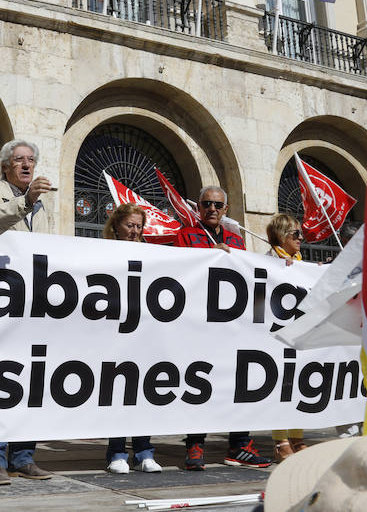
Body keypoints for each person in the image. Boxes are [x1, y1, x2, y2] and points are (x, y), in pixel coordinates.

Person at [174, 185, 273, 470]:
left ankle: (240, 445)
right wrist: (209, 255)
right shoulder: (185, 235)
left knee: (240, 382)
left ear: (226, 209)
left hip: (232, 324)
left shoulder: (236, 240)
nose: (212, 209)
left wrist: (283, 264)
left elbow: (252, 273)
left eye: (218, 205)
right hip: (199, 324)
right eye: (206, 204)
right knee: (199, 383)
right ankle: (195, 444)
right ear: (199, 207)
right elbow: (178, 271)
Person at [0, 139, 53, 485]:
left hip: (34, 304)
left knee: (31, 382)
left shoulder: (43, 207)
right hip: (0, 303)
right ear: (6, 166)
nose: (26, 165)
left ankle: (23, 457)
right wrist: (25, 202)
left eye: (31, 160)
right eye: (19, 160)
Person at [100, 204, 163, 474]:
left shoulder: (151, 254)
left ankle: (144, 451)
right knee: (118, 393)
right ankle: (117, 452)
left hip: (144, 333)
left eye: (139, 226)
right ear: (116, 226)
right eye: (130, 225)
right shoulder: (101, 253)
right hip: (114, 332)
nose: (135, 231)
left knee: (143, 392)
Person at [265, 213, 307, 462]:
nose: (301, 238)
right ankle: (280, 440)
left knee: (299, 384)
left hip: (298, 332)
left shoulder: (301, 262)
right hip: (276, 334)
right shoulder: (268, 261)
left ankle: (297, 436)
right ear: (281, 237)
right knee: (280, 386)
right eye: (295, 234)